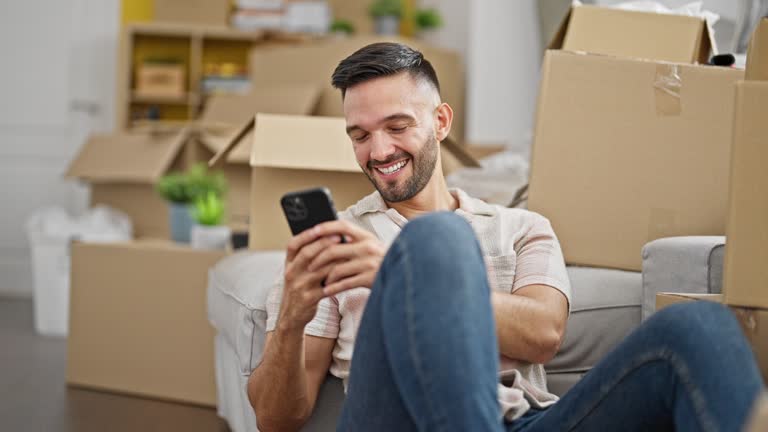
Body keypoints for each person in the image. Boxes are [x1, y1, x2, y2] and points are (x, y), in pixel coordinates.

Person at [247, 42, 765, 432]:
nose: (379, 150)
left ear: (441, 121)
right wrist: (291, 321)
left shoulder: (522, 228)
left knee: (699, 324)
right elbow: (276, 418)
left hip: (524, 422)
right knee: (438, 242)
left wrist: (399, 273)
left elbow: (543, 332)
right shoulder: (336, 243)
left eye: (397, 126)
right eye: (359, 135)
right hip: (394, 417)